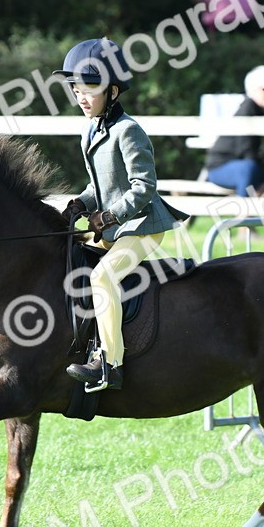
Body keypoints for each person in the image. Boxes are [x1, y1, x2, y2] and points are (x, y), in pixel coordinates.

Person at [54, 38, 189, 393]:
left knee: (103, 277)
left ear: (112, 91)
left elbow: (143, 188)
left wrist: (110, 216)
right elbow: (101, 184)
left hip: (143, 226)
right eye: (76, 91)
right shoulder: (92, 129)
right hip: (118, 226)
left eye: (89, 91)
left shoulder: (128, 130)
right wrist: (80, 203)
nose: (82, 98)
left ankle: (109, 364)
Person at [203, 65, 264, 196]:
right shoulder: (248, 107)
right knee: (248, 168)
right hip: (222, 166)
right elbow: (246, 150)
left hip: (250, 165)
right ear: (253, 90)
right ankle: (244, 208)